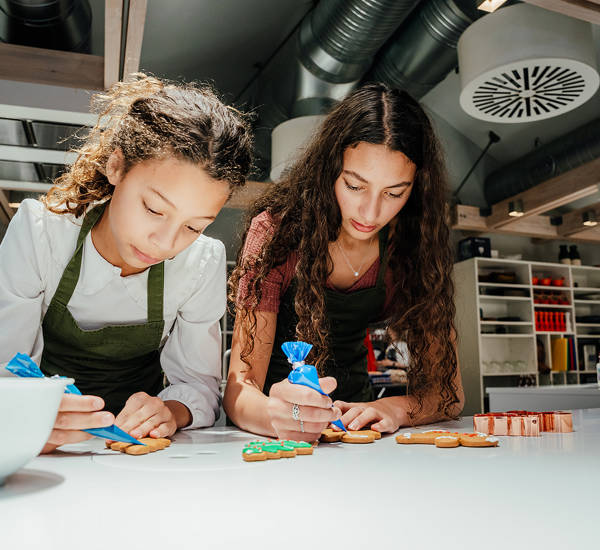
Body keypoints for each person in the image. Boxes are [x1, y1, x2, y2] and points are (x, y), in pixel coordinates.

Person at [0, 74, 252, 453]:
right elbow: (6, 370)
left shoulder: (201, 262)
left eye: (193, 226)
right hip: (39, 449)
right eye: (153, 209)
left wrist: (171, 409)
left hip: (137, 454)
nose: (166, 243)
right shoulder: (41, 234)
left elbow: (199, 385)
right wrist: (29, 417)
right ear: (116, 166)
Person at [224, 83, 464, 442]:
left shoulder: (412, 247)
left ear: (416, 188)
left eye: (394, 193)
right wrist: (278, 416)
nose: (371, 213)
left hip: (358, 428)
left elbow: (448, 393)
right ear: (329, 170)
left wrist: (394, 408)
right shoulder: (276, 234)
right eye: (354, 186)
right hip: (272, 428)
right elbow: (240, 389)